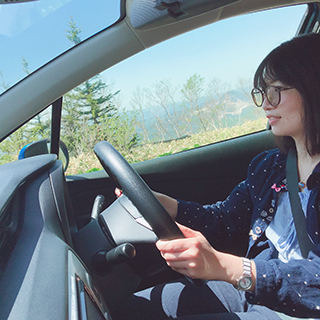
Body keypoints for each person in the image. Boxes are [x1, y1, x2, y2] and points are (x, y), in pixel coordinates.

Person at [115, 33, 320, 320]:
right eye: (262, 93)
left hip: (302, 310)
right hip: (255, 291)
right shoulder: (269, 166)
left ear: (312, 88)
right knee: (133, 310)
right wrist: (167, 205)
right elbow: (225, 220)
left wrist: (226, 268)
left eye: (275, 91)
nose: (265, 105)